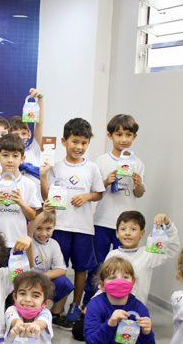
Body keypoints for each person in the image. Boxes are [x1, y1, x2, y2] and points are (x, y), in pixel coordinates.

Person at [40, 117, 104, 326]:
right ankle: (53, 308)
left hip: (83, 227)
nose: (79, 147)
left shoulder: (92, 168)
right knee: (58, 266)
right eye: (75, 141)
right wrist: (43, 178)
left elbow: (99, 193)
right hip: (59, 225)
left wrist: (87, 196)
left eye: (84, 143)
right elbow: (47, 195)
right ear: (64, 141)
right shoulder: (56, 167)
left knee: (81, 268)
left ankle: (75, 305)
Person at [77, 257, 170, 344]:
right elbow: (91, 343)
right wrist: (110, 324)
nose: (119, 281)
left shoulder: (140, 308)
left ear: (133, 282)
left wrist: (147, 333)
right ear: (102, 285)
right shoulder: (95, 305)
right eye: (112, 278)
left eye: (125, 277)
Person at [91, 115, 145, 288]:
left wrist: (138, 184)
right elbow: (94, 191)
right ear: (110, 136)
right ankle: (91, 298)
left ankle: (120, 295)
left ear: (134, 137)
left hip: (125, 225)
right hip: (102, 220)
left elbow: (139, 194)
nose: (123, 139)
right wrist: (106, 181)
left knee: (123, 264)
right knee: (98, 264)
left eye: (128, 135)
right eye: (119, 134)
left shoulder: (137, 163)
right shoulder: (101, 161)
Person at [0, 133, 41, 252]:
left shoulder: (28, 184)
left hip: (18, 242)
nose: (10, 160)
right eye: (5, 155)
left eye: (15, 156)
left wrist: (21, 202)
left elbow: (32, 216)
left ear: (22, 159)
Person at [105, 211, 180, 304]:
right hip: (112, 306)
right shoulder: (112, 255)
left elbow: (171, 248)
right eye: (123, 229)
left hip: (136, 308)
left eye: (133, 229)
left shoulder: (148, 254)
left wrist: (168, 225)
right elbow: (104, 282)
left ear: (142, 233)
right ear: (117, 233)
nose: (127, 233)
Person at [29, 210, 75, 329]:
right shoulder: (28, 240)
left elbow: (61, 269)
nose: (43, 233)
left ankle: (55, 314)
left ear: (54, 227)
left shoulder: (54, 244)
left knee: (64, 282)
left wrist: (42, 277)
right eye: (39, 228)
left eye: (48, 229)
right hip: (27, 280)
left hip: (42, 279)